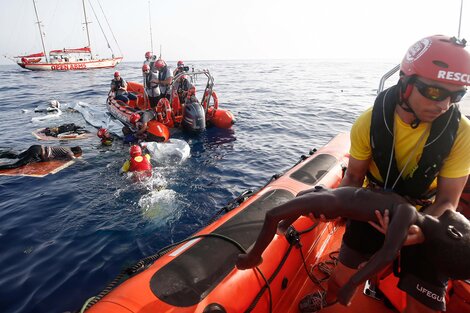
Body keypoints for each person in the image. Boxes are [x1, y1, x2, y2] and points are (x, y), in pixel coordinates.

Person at [295, 35, 470, 313]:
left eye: (457, 95)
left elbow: (448, 199)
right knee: (340, 280)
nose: (444, 105)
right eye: (435, 92)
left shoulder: (461, 131)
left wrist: (419, 229)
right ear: (405, 83)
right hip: (373, 207)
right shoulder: (368, 122)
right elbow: (352, 179)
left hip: (428, 216)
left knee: (426, 307)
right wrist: (329, 206)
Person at [235, 186, 470, 308]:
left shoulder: (407, 213)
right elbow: (387, 251)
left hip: (336, 200)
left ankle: (254, 256)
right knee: (300, 198)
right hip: (335, 198)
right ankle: (285, 224)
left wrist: (351, 284)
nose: (454, 212)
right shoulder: (409, 211)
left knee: (271, 214)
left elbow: (388, 252)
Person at [0, 145, 82, 169]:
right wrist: (84, 162)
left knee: (17, 156)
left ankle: (1, 153)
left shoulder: (66, 147)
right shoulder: (69, 152)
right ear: (75, 152)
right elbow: (73, 158)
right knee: (16, 165)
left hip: (36, 147)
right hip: (37, 152)